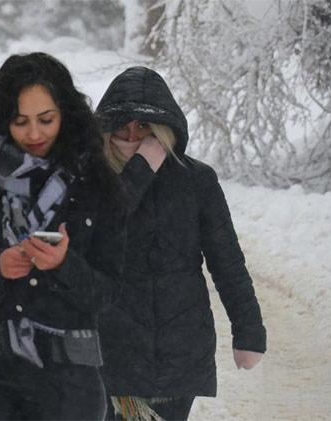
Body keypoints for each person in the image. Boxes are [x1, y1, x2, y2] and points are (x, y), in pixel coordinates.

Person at [0, 52, 126, 420]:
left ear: (66, 114)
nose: (34, 134)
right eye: (20, 122)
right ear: (2, 121)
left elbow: (109, 294)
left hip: (71, 376)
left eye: (46, 120)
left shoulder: (97, 182)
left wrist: (65, 265)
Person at [95, 66, 267, 421]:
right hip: (109, 348)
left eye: (143, 125)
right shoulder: (90, 180)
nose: (131, 133)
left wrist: (248, 329)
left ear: (163, 128)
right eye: (123, 123)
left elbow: (227, 261)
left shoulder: (196, 180)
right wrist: (141, 168)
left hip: (179, 347)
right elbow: (98, 233)